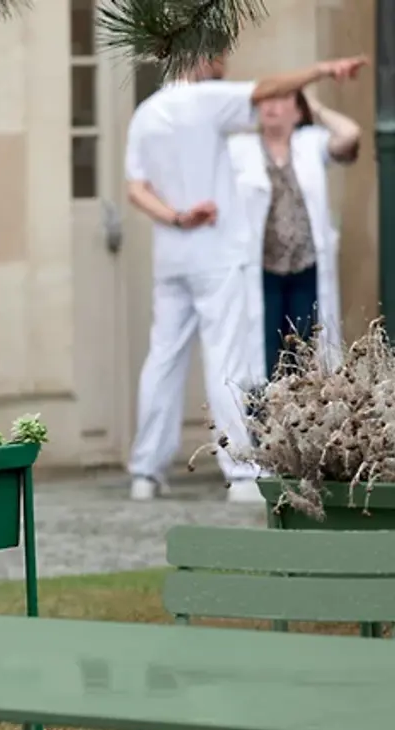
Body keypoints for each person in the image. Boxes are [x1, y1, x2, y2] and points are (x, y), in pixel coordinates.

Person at [125, 52, 367, 503]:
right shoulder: (207, 100)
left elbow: (136, 189)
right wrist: (321, 71)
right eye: (218, 54)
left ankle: (146, 471)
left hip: (172, 256)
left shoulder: (146, 113)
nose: (224, 63)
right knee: (227, 362)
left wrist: (176, 217)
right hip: (216, 254)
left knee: (163, 360)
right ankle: (240, 472)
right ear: (201, 57)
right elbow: (268, 87)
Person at [229, 90, 360, 380]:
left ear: (298, 111)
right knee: (264, 358)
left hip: (305, 269)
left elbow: (350, 134)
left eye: (282, 99)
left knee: (305, 355)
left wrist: (317, 107)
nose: (272, 106)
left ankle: (302, 410)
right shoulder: (239, 149)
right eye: (266, 99)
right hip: (262, 271)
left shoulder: (310, 143)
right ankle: (263, 410)